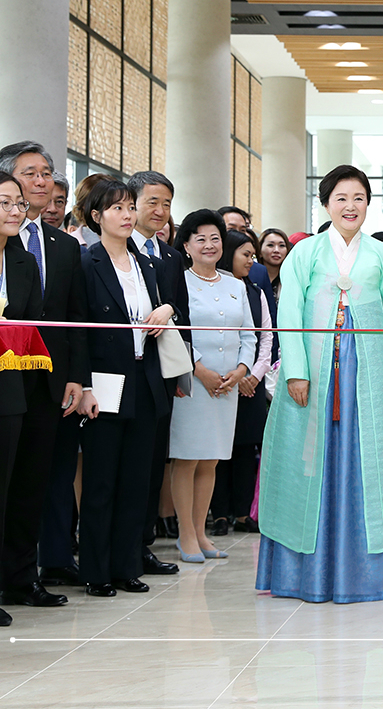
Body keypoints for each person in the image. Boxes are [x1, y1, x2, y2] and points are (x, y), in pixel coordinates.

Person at [257, 165, 383, 604]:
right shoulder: (305, 253)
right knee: (306, 464)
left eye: (359, 198)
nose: (351, 206)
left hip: (367, 372)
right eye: (341, 198)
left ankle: (367, 575)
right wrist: (296, 371)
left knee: (370, 466)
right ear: (326, 204)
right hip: (315, 372)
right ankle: (305, 572)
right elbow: (289, 314)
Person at [0, 142, 88, 610]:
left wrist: (75, 376)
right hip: (1, 379)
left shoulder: (62, 246)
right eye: (31, 172)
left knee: (33, 481)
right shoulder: (2, 243)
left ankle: (19, 577)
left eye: (48, 172)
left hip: (46, 380)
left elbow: (72, 317)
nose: (42, 180)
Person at [75, 179, 174, 597]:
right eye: (116, 208)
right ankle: (96, 571)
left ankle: (126, 565)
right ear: (97, 217)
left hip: (145, 377)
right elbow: (77, 330)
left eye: (130, 207)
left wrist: (167, 308)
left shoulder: (146, 264)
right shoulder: (85, 262)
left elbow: (171, 307)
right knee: (102, 481)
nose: (127, 215)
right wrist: (82, 386)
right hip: (104, 381)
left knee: (137, 480)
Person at [168, 211, 256, 563]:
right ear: (186, 245)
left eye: (215, 237)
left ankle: (202, 534)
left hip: (228, 385)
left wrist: (241, 370)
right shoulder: (179, 282)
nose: (209, 244)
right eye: (200, 238)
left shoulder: (235, 284)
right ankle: (186, 535)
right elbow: (177, 332)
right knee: (187, 459)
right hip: (192, 382)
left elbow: (250, 333)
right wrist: (199, 369)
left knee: (211, 461)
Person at [127, 170, 188, 577]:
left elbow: (181, 311)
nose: (161, 211)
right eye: (152, 201)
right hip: (122, 373)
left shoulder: (170, 255)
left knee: (152, 464)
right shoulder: (116, 248)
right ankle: (118, 548)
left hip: (160, 374)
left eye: (167, 204)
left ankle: (143, 544)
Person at [0, 171, 45, 627]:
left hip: (6, 386)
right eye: (4, 202)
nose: (14, 211)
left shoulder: (23, 261)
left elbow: (29, 323)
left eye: (19, 204)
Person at [210, 230, 272, 536]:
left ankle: (242, 512)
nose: (252, 261)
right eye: (246, 254)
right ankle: (219, 513)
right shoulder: (216, 288)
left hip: (250, 382)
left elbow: (266, 336)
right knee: (221, 449)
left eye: (253, 256)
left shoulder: (254, 290)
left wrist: (252, 375)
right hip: (219, 380)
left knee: (247, 449)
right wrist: (233, 376)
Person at [256, 228, 289, 302]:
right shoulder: (252, 277)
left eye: (282, 245)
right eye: (270, 245)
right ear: (259, 250)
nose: (276, 250)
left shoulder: (289, 279)